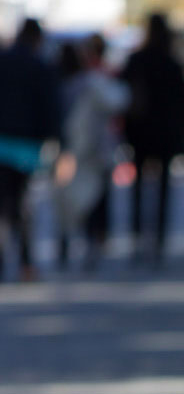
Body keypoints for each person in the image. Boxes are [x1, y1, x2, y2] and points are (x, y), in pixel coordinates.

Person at [54, 34, 130, 270]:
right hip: (91, 151)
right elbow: (120, 100)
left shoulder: (63, 85)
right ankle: (92, 241)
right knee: (93, 197)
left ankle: (68, 243)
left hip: (70, 151)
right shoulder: (92, 82)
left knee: (66, 198)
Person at [122, 13, 184, 264]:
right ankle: (159, 239)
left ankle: (138, 238)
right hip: (164, 133)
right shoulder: (172, 62)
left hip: (140, 131)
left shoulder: (137, 60)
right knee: (162, 187)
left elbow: (123, 96)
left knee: (139, 186)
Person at [0, 18, 60, 281]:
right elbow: (50, 108)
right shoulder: (40, 66)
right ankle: (25, 262)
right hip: (26, 147)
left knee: (2, 205)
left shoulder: (2, 61)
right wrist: (56, 142)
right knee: (23, 205)